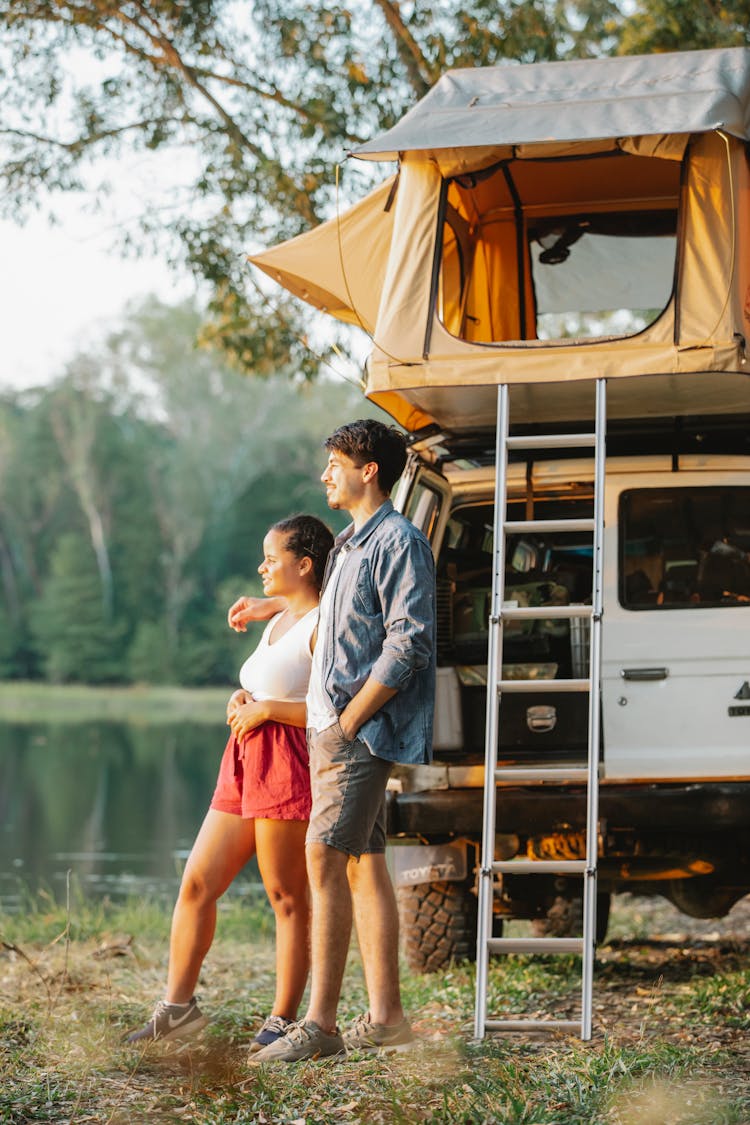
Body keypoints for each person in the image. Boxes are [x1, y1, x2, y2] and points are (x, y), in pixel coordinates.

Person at [252, 419, 436, 1063]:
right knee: (362, 863)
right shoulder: (351, 545)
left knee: (323, 861)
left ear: (369, 471)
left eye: (335, 462)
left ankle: (321, 1026)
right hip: (331, 728)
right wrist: (267, 606)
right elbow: (333, 614)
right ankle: (387, 1018)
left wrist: (352, 718)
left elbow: (408, 638)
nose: (325, 473)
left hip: (358, 729)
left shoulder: (398, 541)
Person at [125, 513, 334, 1050]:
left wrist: (267, 709)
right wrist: (245, 700)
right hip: (242, 757)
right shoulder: (282, 617)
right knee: (197, 882)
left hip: (287, 760)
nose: (262, 568)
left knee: (286, 896)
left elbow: (332, 709)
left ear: (304, 564)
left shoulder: (325, 623)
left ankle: (283, 1019)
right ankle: (177, 1009)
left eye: (272, 558)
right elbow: (263, 682)